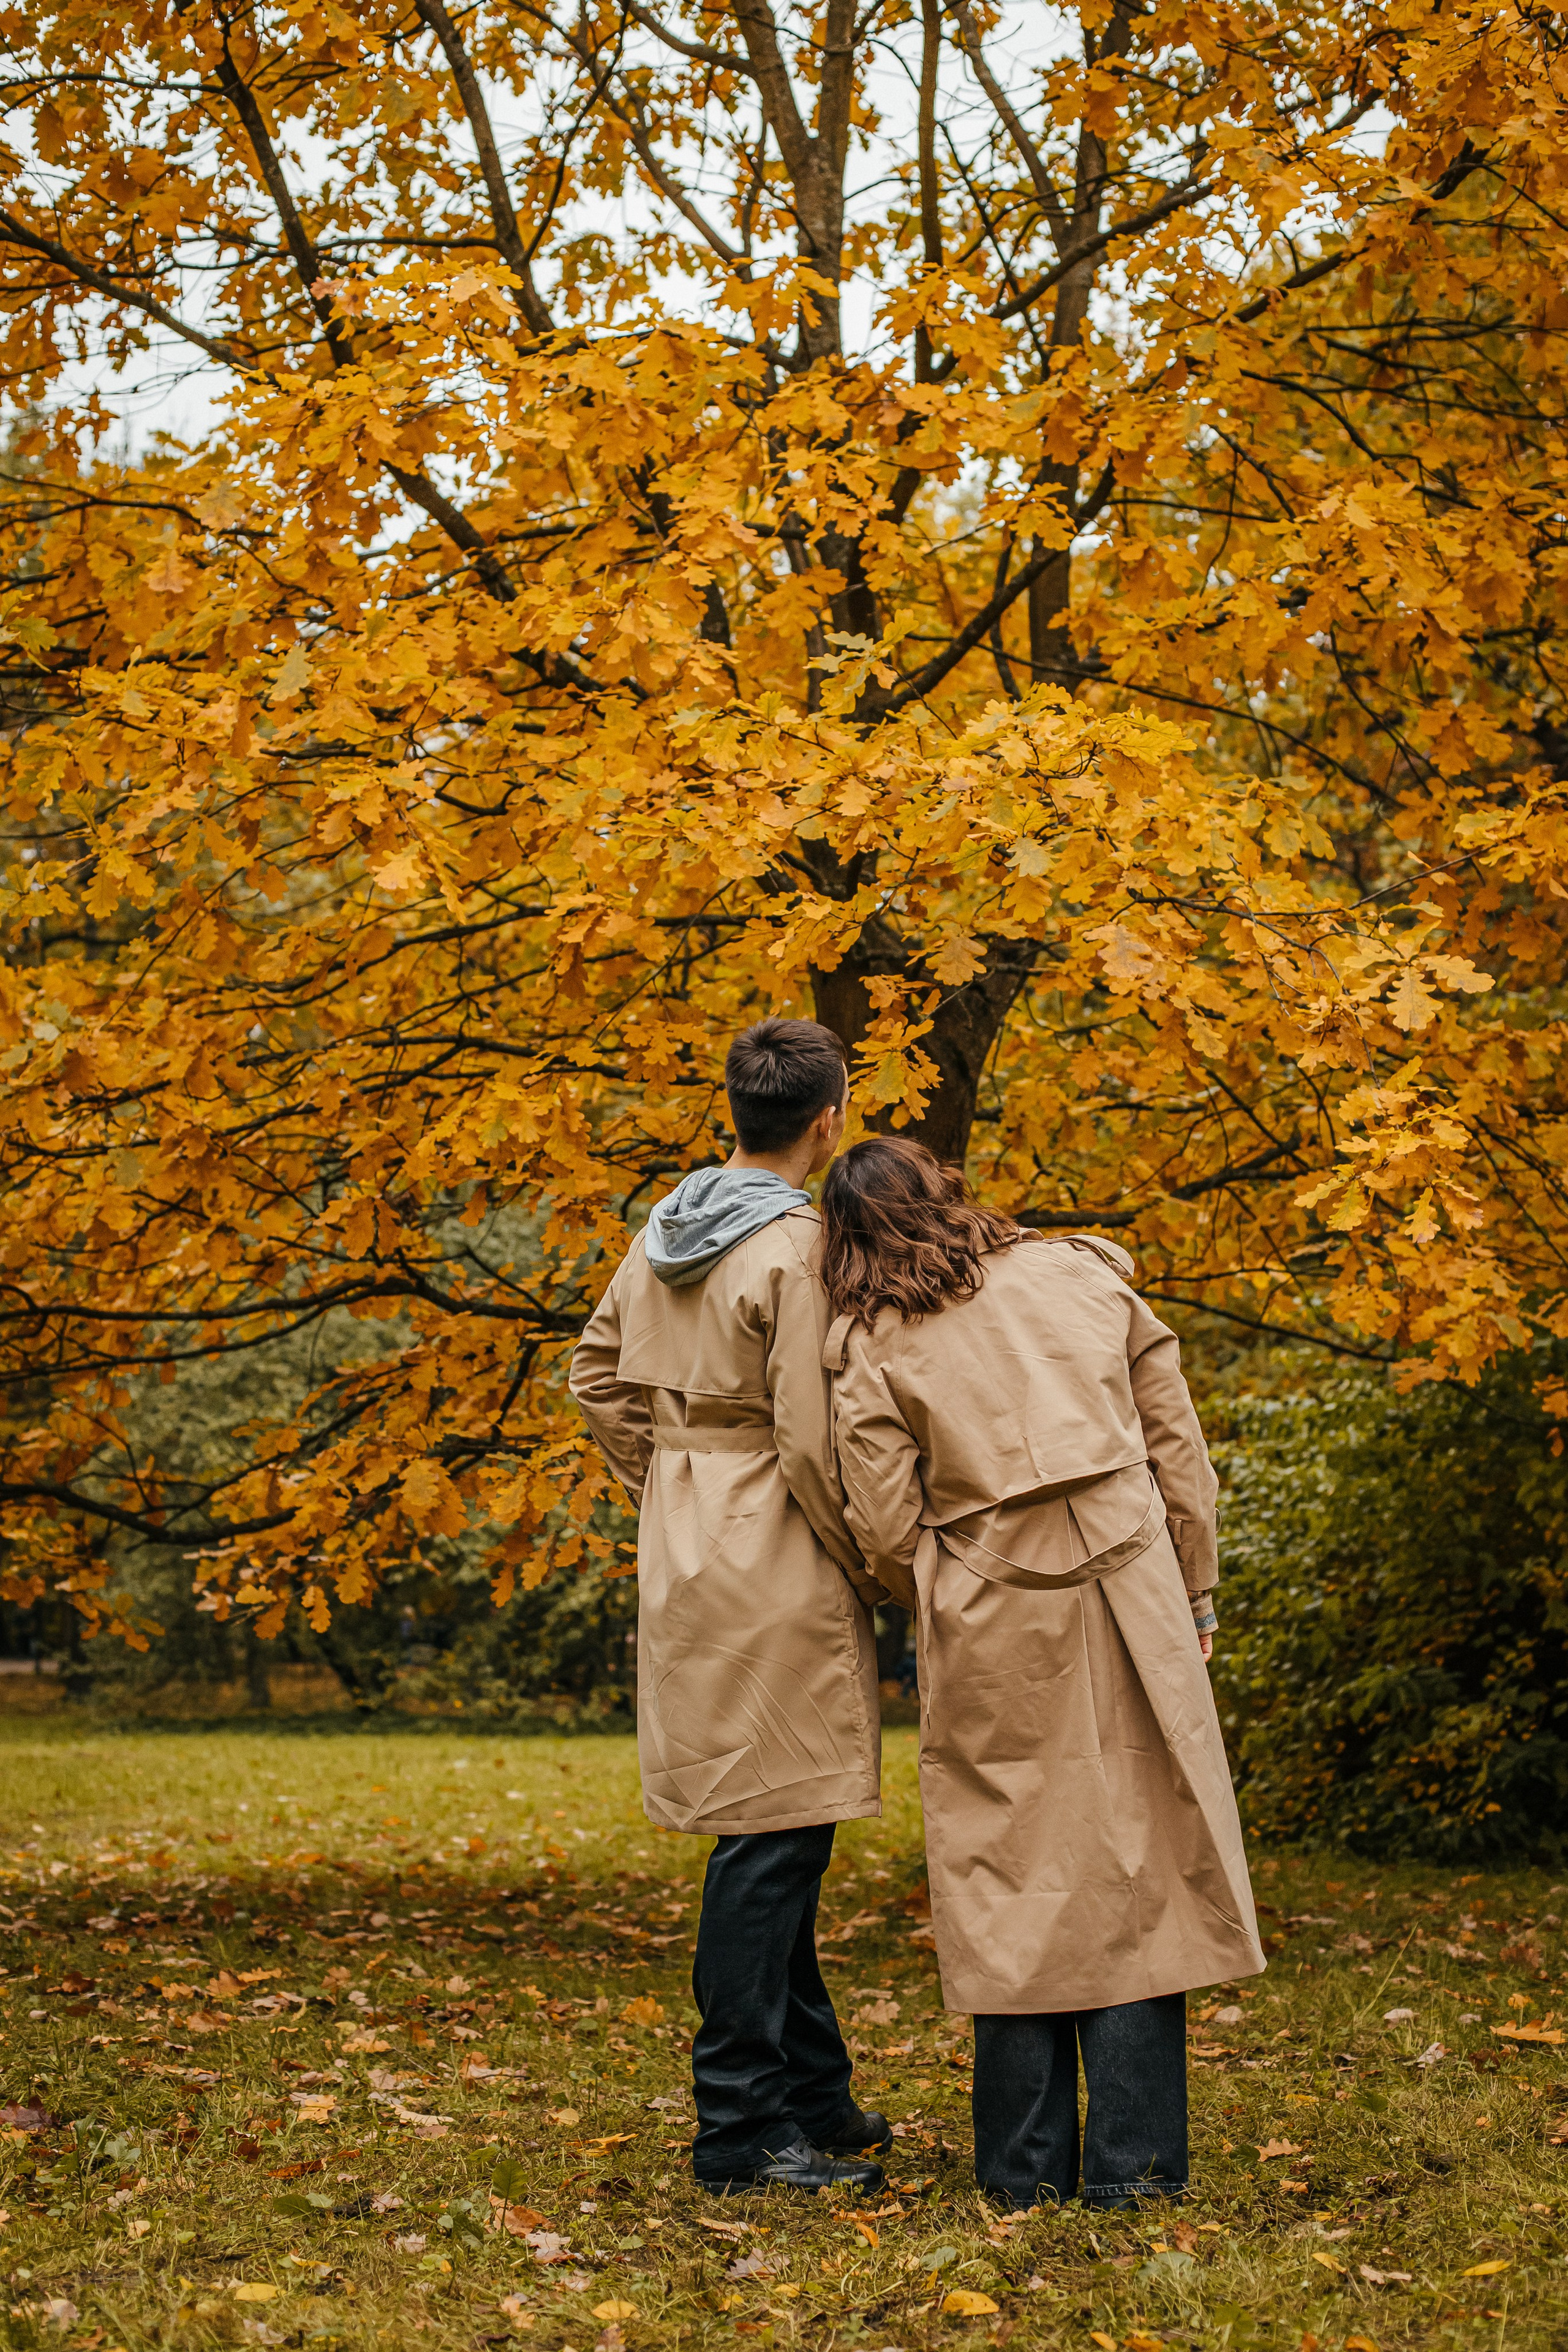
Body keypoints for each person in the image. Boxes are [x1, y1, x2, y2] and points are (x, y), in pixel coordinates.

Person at [818, 1136, 1265, 2212]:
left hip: (985, 1599)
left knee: (1006, 1867)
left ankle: (1022, 2176)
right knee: (1146, 1860)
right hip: (1132, 1581)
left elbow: (881, 1518)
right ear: (945, 1192)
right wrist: (1193, 1586)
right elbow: (1178, 1448)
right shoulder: (1083, 1271)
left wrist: (924, 1585)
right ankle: (1139, 2171)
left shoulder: (870, 1341)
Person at [568, 1018, 891, 2197]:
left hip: (690, 1532)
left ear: (734, 1109)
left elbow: (593, 1373)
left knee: (770, 1817)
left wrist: (671, 1479)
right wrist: (874, 1562)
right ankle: (741, 2129)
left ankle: (814, 2093)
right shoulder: (799, 1248)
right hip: (777, 1543)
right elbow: (813, 1434)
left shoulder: (663, 1232)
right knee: (775, 1837)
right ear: (829, 1118)